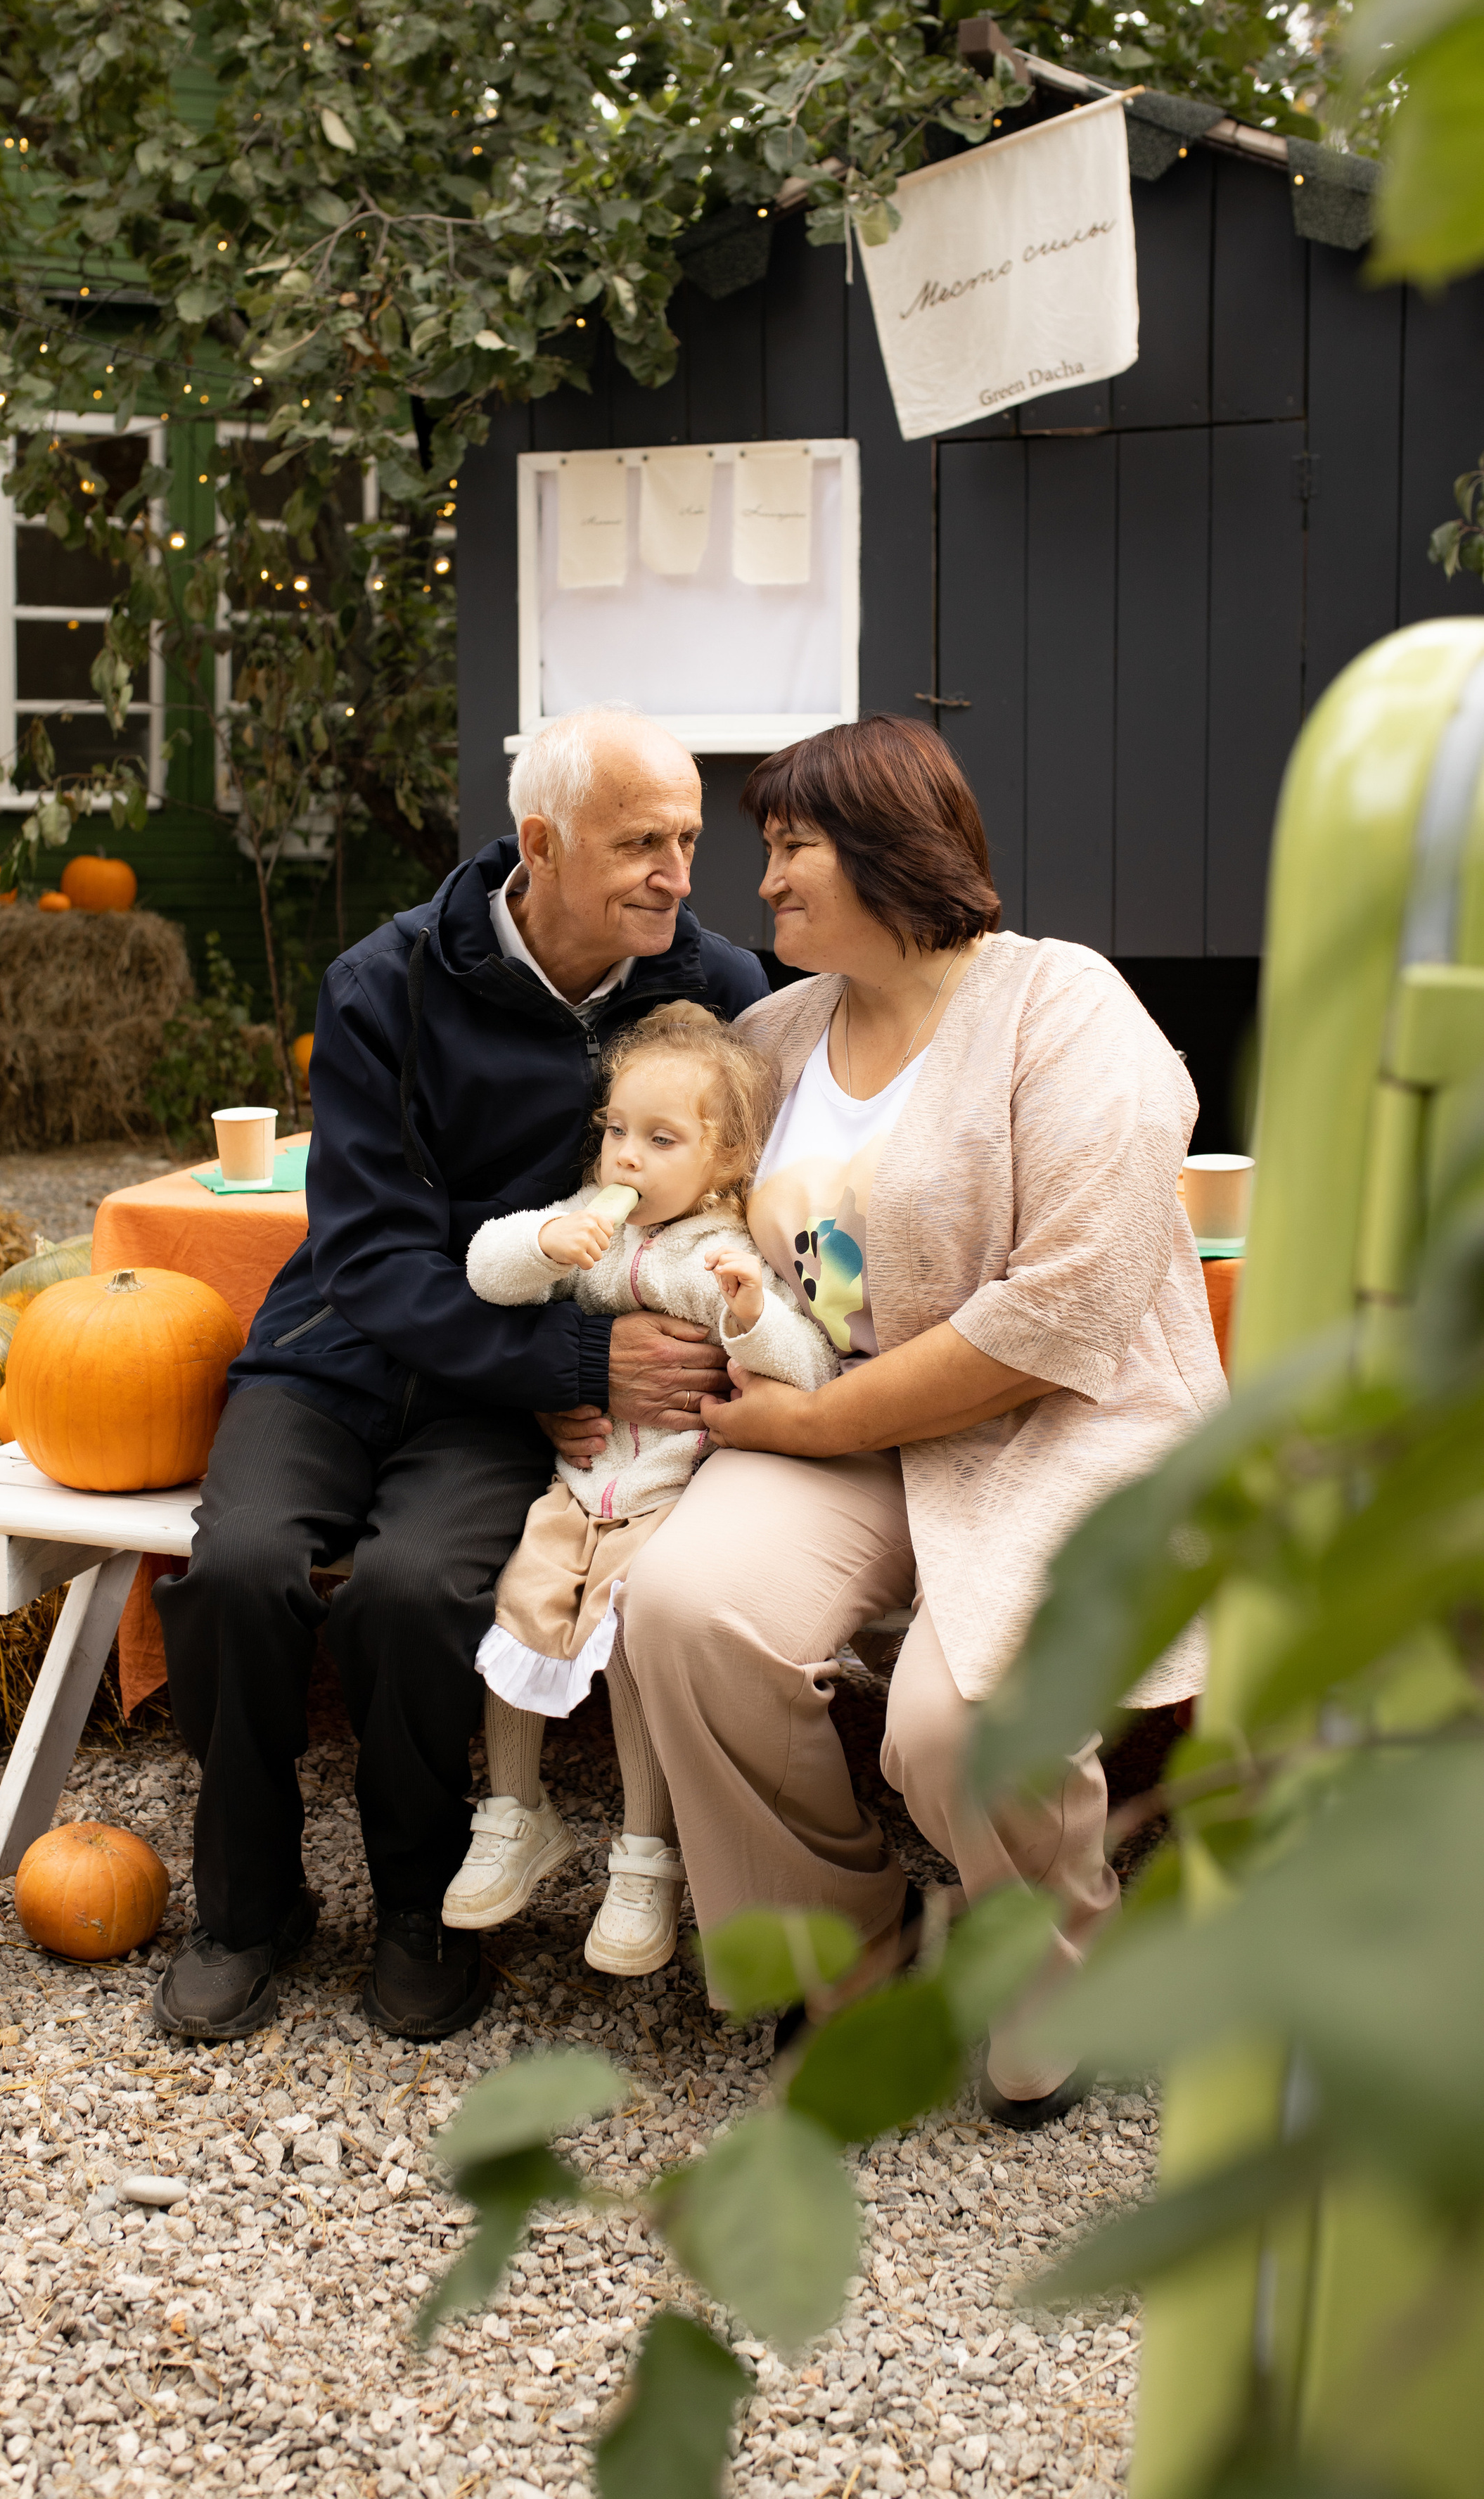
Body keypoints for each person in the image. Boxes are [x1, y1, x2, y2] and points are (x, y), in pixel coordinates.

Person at [620, 715, 1222, 2125]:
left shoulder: (1061, 1007)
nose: (757, 884)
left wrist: (812, 1429)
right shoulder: (771, 1035)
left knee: (960, 1723)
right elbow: (691, 1222)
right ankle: (848, 1946)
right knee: (685, 1606)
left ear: (889, 847)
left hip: (1066, 1422)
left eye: (788, 848)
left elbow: (1064, 1310)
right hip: (838, 1423)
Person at [152, 708, 769, 2043]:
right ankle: (248, 1907)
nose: (675, 873)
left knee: (415, 1587)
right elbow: (369, 1258)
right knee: (245, 1566)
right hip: (346, 1352)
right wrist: (576, 1356)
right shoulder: (387, 982)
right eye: (639, 844)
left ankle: (423, 1907)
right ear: (539, 846)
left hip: (498, 1404)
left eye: (686, 841)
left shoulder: (716, 988)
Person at [444, 1001, 838, 1976]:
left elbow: (813, 1365)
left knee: (630, 1648)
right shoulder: (589, 1225)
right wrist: (544, 1248)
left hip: (667, 1502)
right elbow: (485, 1269)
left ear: (727, 1161)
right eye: (616, 1131)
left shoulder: (718, 1256)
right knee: (515, 1612)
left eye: (661, 1141)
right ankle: (511, 1810)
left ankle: (647, 1853)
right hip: (574, 1493)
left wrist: (747, 1314)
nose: (626, 1159)